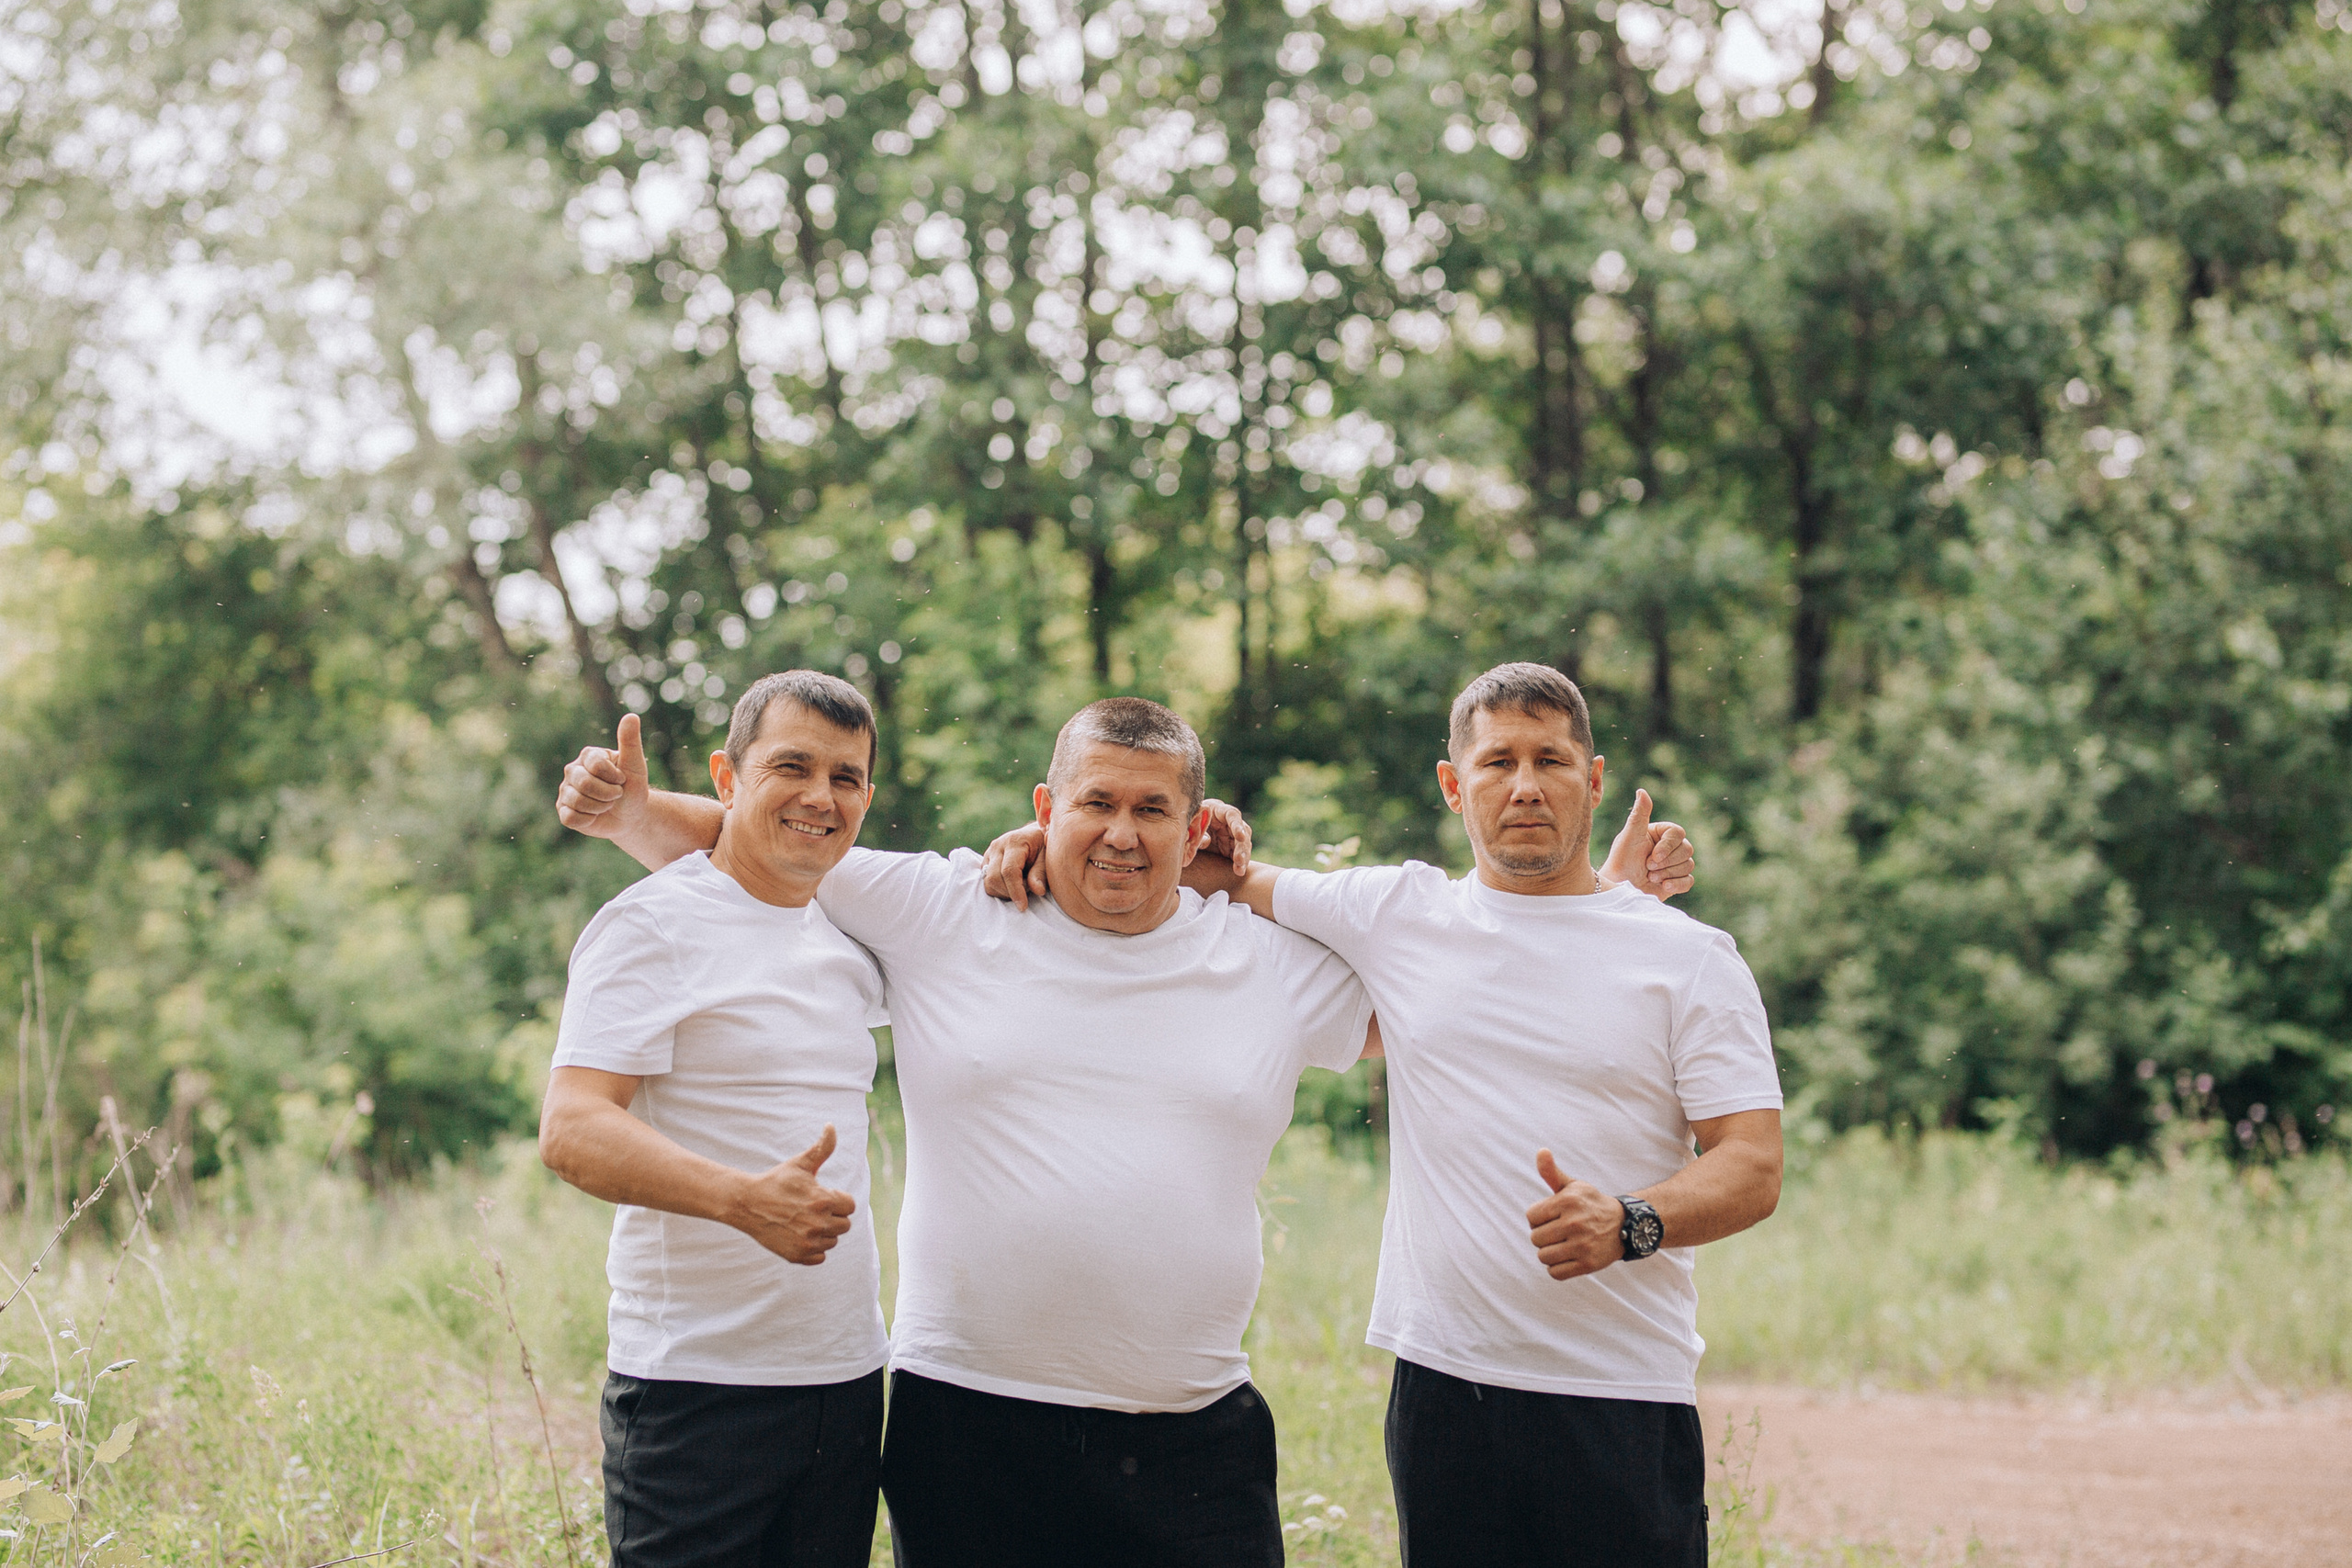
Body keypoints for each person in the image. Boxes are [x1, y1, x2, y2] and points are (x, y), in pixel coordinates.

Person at [985, 662, 1779, 1568]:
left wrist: (1632, 1220)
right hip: (1443, 1395)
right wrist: (1031, 840)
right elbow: (1194, 865)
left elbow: (1752, 1164)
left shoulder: (1688, 958)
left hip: (1620, 1393)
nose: (1524, 785)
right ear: (1452, 785)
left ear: (1592, 781)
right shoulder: (1397, 911)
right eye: (1496, 762)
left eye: (1552, 760)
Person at [538, 671, 891, 1568]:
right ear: (725, 779)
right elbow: (572, 1126)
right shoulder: (651, 926)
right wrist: (739, 1199)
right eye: (792, 767)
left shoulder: (853, 943)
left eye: (845, 778)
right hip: (696, 1388)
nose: (821, 796)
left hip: (845, 1381)